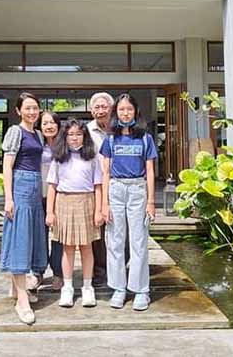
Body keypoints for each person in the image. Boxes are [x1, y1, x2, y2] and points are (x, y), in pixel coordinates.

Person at [99, 93, 157, 311]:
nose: (125, 113)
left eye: (129, 109)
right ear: (116, 113)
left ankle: (141, 289)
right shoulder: (110, 139)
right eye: (121, 110)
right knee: (115, 240)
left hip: (137, 190)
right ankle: (119, 288)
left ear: (135, 112)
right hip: (116, 189)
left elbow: (150, 170)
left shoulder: (145, 138)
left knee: (139, 240)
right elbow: (105, 173)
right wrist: (104, 204)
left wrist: (151, 201)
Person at [0, 92, 48, 325]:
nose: (32, 112)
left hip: (35, 189)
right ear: (18, 111)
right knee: (19, 239)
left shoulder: (37, 134)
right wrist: (8, 198)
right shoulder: (15, 132)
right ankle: (22, 300)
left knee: (30, 239)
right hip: (19, 187)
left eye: (35, 108)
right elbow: (7, 167)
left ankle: (15, 289)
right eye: (27, 108)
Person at [45, 118, 104, 308]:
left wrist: (99, 210)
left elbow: (98, 186)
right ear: (65, 137)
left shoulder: (92, 157)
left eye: (79, 134)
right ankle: (68, 287)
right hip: (64, 202)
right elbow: (52, 186)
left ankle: (87, 287)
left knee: (86, 247)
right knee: (68, 248)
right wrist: (50, 212)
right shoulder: (59, 157)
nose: (75, 138)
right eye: (71, 134)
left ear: (84, 136)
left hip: (87, 201)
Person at [85, 92, 114, 288]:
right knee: (97, 229)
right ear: (91, 110)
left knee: (119, 227)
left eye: (104, 106)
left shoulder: (120, 129)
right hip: (94, 185)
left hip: (119, 184)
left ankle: (119, 267)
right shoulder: (85, 131)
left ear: (111, 109)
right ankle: (99, 271)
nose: (100, 110)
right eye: (97, 107)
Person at [38, 110, 65, 291]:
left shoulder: (65, 146)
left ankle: (58, 273)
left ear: (58, 125)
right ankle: (38, 271)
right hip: (38, 195)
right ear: (40, 126)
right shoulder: (35, 144)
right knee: (39, 235)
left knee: (58, 236)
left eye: (52, 122)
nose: (49, 126)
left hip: (60, 196)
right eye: (45, 123)